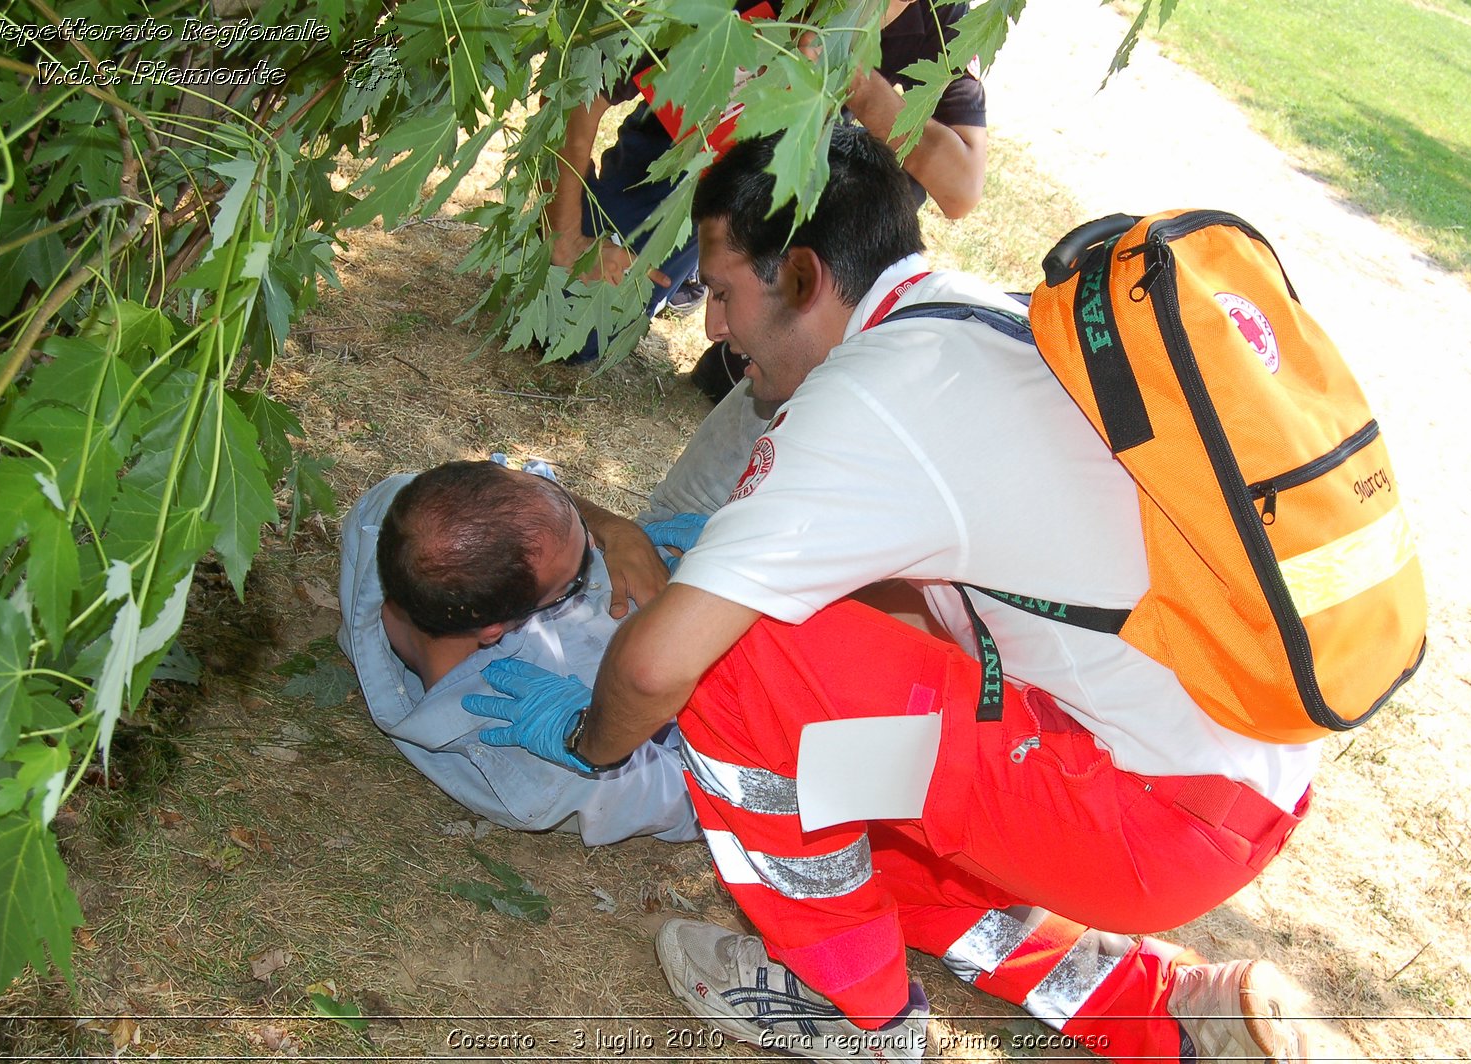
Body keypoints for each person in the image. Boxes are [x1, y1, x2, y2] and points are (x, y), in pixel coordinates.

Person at [468, 126, 1317, 1064]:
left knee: (735, 656)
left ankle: (852, 1009)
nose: (711, 328)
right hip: (1235, 784)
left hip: (1147, 815)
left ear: (800, 277)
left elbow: (664, 659)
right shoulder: (972, 318)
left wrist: (590, 741)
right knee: (863, 796)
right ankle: (1160, 1011)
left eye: (721, 294)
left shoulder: (864, 401)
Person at [549, 0, 988, 364]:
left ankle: (750, 293)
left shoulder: (940, 14)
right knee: (570, 328)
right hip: (681, 153)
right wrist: (567, 235)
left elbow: (961, 190)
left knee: (768, 371)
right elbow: (585, 87)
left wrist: (857, 82)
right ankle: (702, 274)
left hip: (785, 189)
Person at [336, 459, 699, 846]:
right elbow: (707, 801)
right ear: (497, 629)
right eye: (576, 578)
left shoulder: (403, 516)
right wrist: (597, 734)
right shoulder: (536, 768)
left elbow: (526, 500)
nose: (594, 547)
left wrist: (619, 531)